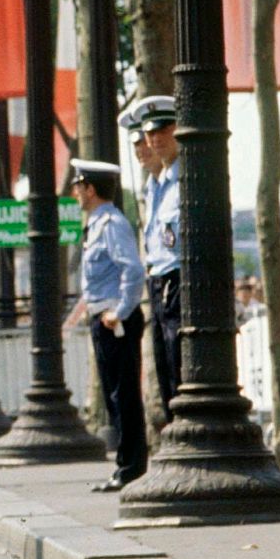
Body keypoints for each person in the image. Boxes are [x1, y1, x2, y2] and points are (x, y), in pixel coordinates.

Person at [65, 159, 147, 492]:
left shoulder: (111, 223)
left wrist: (121, 310)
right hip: (104, 317)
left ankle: (131, 467)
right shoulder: (98, 223)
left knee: (123, 394)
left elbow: (133, 269)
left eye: (78, 187)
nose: (75, 193)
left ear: (90, 188)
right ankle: (125, 466)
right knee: (115, 396)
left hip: (115, 319)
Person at [122, 95, 182, 420]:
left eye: (162, 131)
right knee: (164, 364)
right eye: (149, 135)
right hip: (159, 282)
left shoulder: (182, 180)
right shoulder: (156, 186)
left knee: (178, 362)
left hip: (177, 279)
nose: (154, 140)